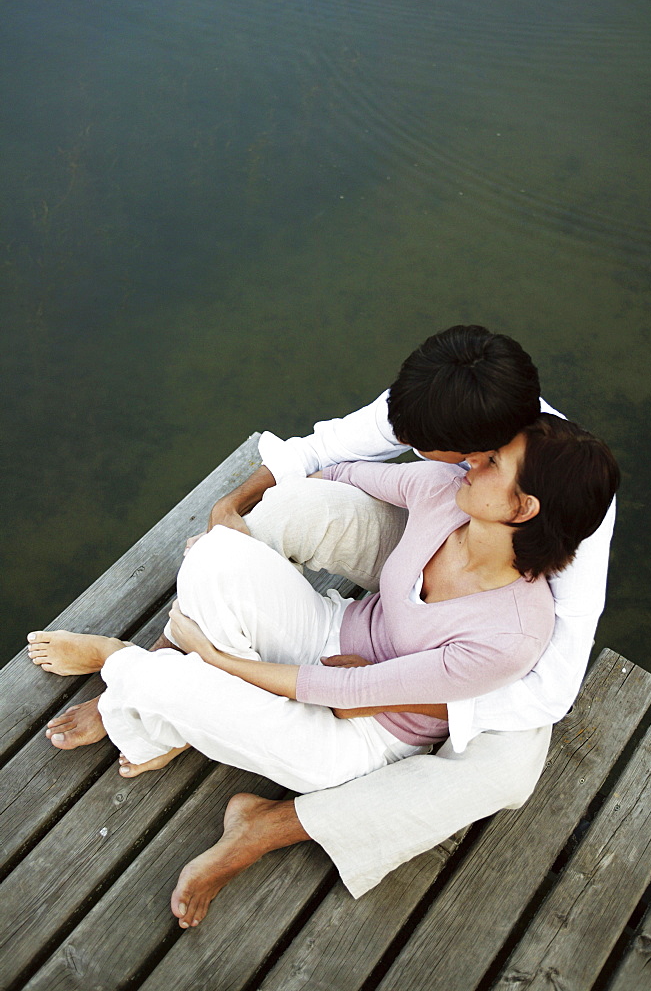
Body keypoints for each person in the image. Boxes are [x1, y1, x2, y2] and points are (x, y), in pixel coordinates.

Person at [27, 326, 620, 929]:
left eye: (465, 458)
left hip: (466, 673)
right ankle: (174, 687)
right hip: (401, 590)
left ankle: (220, 767)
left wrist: (393, 692)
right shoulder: (449, 433)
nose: (417, 451)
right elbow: (337, 458)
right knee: (229, 542)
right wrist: (232, 507)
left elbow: (553, 682)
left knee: (506, 775)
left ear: (480, 458)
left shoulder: (560, 515)